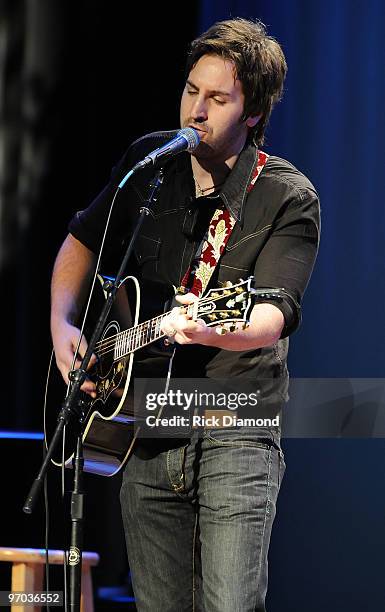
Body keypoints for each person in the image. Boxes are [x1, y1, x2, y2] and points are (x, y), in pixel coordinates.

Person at [50, 17, 320, 612]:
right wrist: (63, 325)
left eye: (218, 98)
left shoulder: (286, 196)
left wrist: (204, 327)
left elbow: (273, 315)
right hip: (143, 432)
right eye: (191, 90)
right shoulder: (150, 163)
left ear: (253, 112)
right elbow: (80, 241)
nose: (196, 111)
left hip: (236, 431)